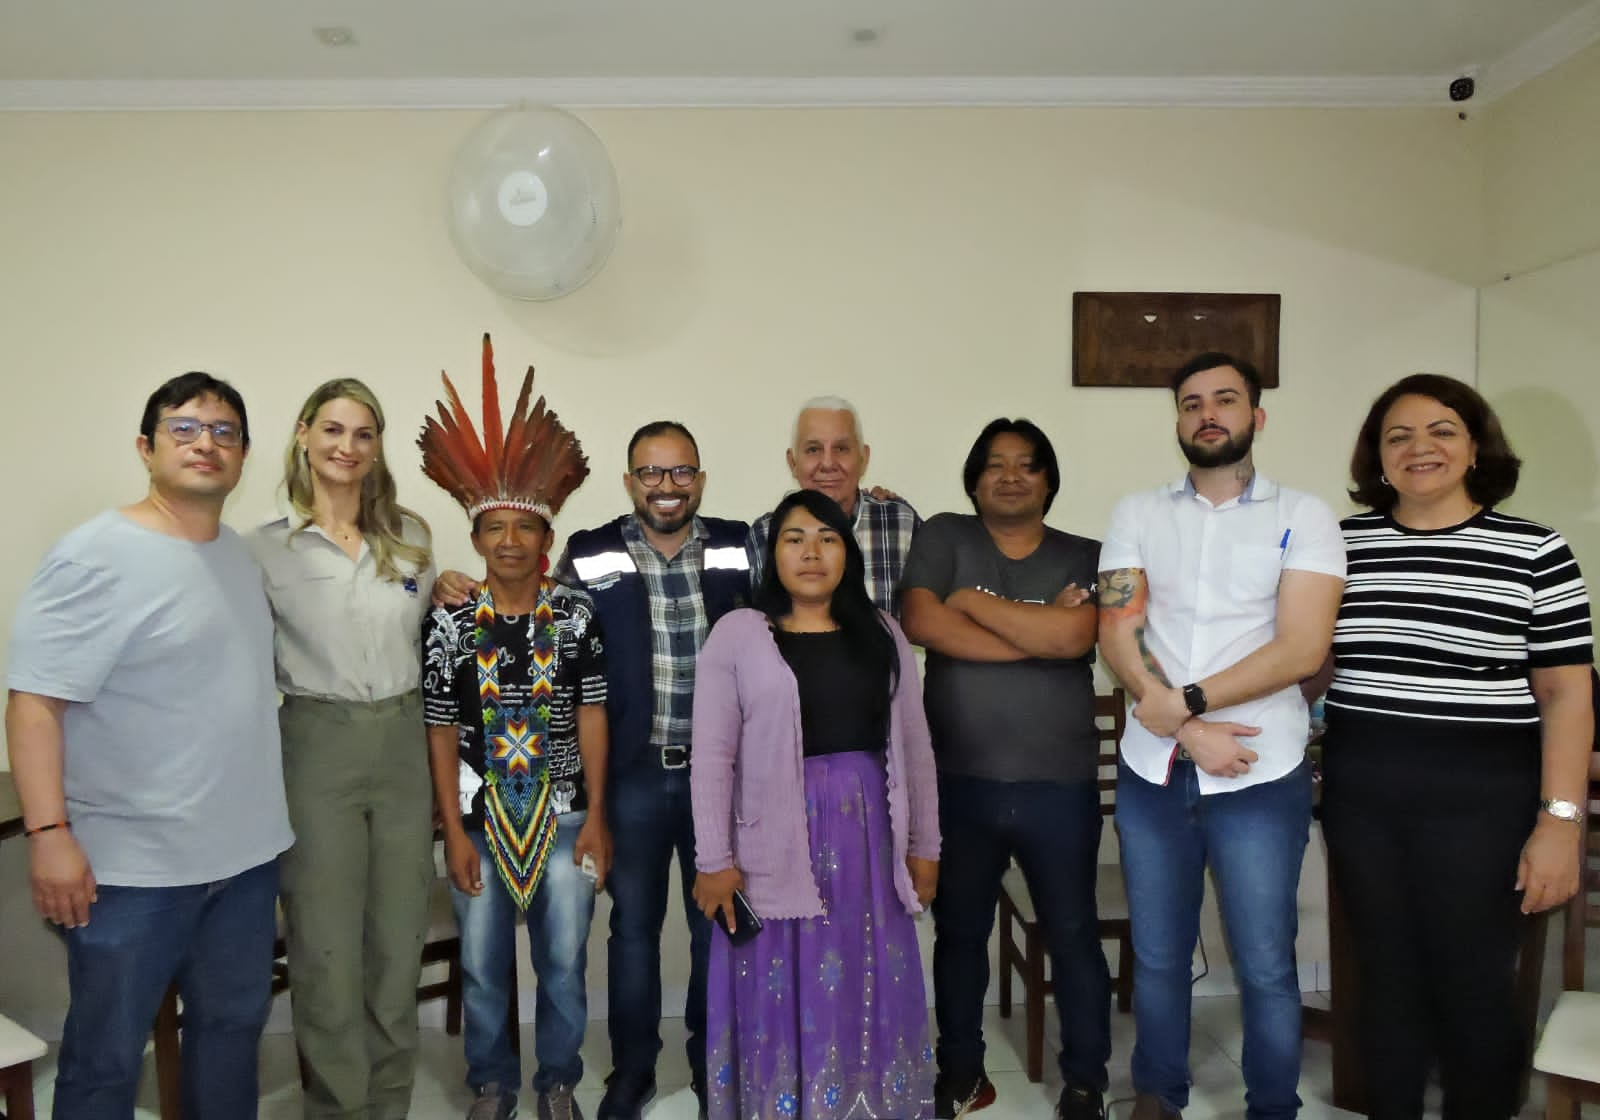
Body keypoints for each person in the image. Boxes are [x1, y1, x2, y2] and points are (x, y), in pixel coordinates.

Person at [5, 372, 293, 1119]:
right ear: (147, 446)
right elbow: (34, 701)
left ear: (243, 454)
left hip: (244, 863)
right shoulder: (95, 554)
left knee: (231, 1036)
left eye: (224, 432)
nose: (207, 443)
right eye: (185, 428)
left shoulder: (234, 554)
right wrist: (48, 834)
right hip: (131, 872)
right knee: (106, 1059)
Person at [1321, 373, 1593, 1120]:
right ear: (1377, 458)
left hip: (1484, 802)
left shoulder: (1536, 550)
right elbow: (1306, 661)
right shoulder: (1340, 548)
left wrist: (1560, 822)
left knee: (1472, 985)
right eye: (1398, 435)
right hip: (1362, 793)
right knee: (1386, 982)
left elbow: (1567, 696)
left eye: (1442, 430)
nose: (1420, 448)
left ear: (1476, 446)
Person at [1097, 352, 1345, 1120]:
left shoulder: (1304, 517)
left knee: (1267, 963)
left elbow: (1302, 650)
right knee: (1160, 957)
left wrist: (1189, 707)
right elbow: (1118, 627)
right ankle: (1158, 1096)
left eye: (1225, 400)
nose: (1208, 413)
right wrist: (1180, 723)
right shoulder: (1136, 513)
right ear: (1176, 421)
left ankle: (1273, 1107)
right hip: (1155, 773)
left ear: (1256, 417)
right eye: (1191, 402)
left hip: (1260, 775)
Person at [690, 488, 941, 1120]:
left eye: (828, 538)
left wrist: (925, 847)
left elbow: (914, 745)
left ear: (847, 554)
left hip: (865, 844)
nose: (811, 552)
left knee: (860, 976)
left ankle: (860, 1103)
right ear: (771, 553)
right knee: (775, 975)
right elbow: (713, 756)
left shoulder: (882, 632)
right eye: (794, 538)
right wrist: (714, 860)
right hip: (768, 842)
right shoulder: (739, 634)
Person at [419, 338, 611, 1120]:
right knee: (483, 962)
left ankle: (558, 1078)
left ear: (546, 541)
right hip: (477, 818)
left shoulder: (575, 616)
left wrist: (599, 814)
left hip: (565, 815)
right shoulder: (450, 624)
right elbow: (437, 728)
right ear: (475, 540)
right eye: (493, 529)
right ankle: (492, 1081)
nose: (508, 541)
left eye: (522, 529)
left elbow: (594, 711)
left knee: (563, 961)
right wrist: (452, 830)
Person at [900, 418, 1110, 1120]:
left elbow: (1082, 635)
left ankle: (1085, 1081)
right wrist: (1041, 635)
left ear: (1049, 480)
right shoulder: (942, 536)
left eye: (1027, 465)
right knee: (960, 933)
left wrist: (977, 604)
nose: (1011, 475)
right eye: (995, 464)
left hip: (1062, 784)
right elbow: (924, 624)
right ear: (974, 477)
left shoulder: (1087, 552)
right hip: (959, 782)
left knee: (1073, 932)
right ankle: (962, 1073)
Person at [249, 378, 444, 1119]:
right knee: (325, 948)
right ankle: (337, 1108)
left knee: (397, 944)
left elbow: (428, 636)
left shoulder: (413, 538)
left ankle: (388, 1104)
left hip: (400, 741)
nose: (347, 447)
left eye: (363, 434)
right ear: (303, 434)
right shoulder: (263, 549)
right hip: (315, 743)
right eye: (332, 430)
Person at [554, 421, 750, 1120]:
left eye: (681, 472)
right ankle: (633, 1072)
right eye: (652, 472)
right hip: (631, 776)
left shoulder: (739, 545)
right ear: (630, 480)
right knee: (632, 928)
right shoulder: (589, 554)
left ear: (700, 477)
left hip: (719, 779)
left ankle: (713, 1065)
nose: (667, 486)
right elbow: (556, 657)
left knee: (717, 929)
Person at [746, 396, 920, 615]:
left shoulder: (900, 522)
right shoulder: (765, 532)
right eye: (813, 449)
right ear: (793, 462)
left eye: (841, 448)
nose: (828, 464)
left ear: (863, 458)